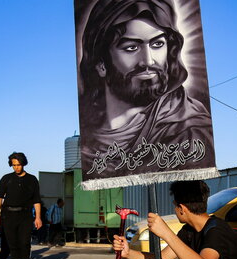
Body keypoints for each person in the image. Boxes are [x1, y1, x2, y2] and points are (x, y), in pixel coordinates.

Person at [78, 0, 214, 179]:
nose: (148, 61)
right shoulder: (91, 144)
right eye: (131, 48)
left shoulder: (189, 130)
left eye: (157, 44)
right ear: (101, 64)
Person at [0, 152, 42, 259]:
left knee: (24, 243)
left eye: (19, 165)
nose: (16, 168)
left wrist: (38, 217)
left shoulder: (32, 180)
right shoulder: (6, 178)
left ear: (23, 164)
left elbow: (36, 200)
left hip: (25, 215)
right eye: (14, 165)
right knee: (12, 244)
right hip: (8, 215)